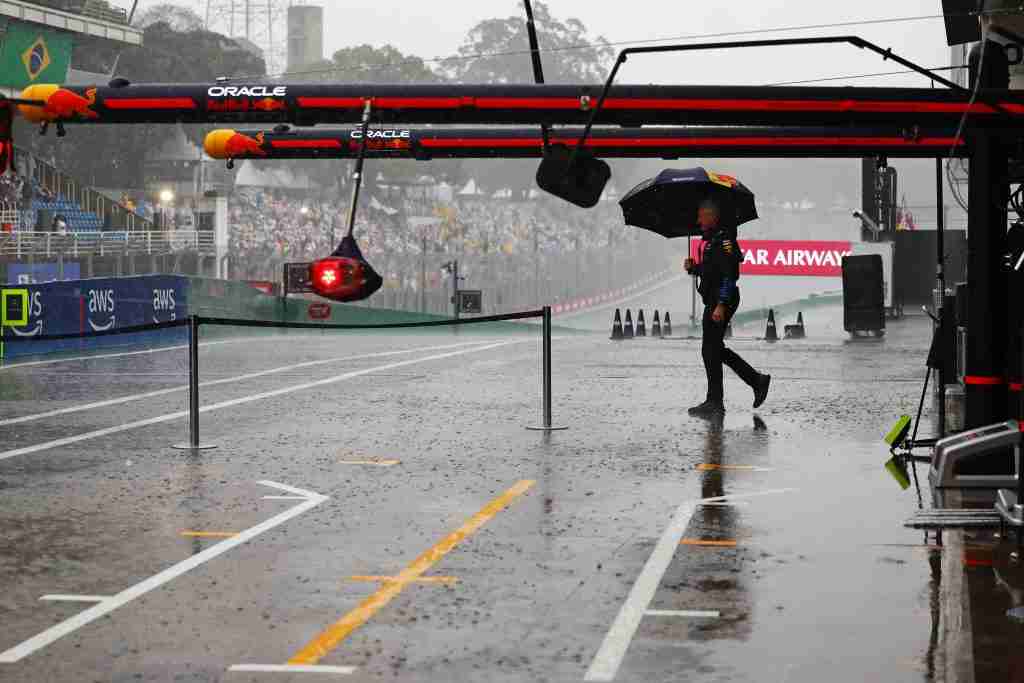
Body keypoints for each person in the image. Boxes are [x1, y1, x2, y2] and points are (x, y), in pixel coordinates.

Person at [683, 199, 770, 417]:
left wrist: (721, 304)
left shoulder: (725, 240)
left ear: (712, 216)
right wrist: (695, 268)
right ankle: (753, 381)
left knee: (711, 349)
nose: (698, 221)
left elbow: (729, 274)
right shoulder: (713, 240)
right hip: (714, 299)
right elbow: (711, 270)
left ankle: (716, 401)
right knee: (712, 349)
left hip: (723, 299)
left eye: (701, 216)